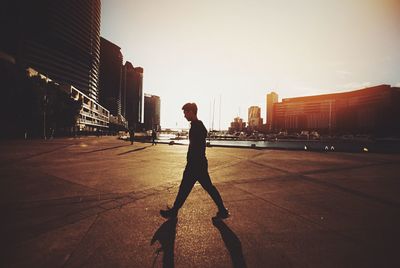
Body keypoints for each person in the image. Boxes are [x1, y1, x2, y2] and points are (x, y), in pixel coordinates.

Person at [160, 103, 229, 219]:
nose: (184, 116)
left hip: (196, 165)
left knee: (187, 188)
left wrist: (191, 163)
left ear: (191, 112)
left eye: (185, 113)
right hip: (198, 164)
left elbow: (196, 148)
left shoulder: (198, 127)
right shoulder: (196, 126)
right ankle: (222, 210)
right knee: (197, 188)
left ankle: (174, 212)